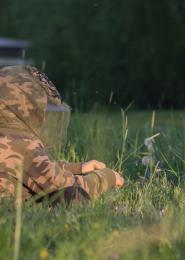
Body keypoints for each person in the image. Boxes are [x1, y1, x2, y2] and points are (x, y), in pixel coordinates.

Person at [0, 65, 124, 204]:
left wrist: (78, 168)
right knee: (72, 196)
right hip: (10, 217)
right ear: (24, 107)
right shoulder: (23, 146)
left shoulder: (7, 138)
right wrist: (107, 177)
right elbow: (69, 185)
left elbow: (36, 171)